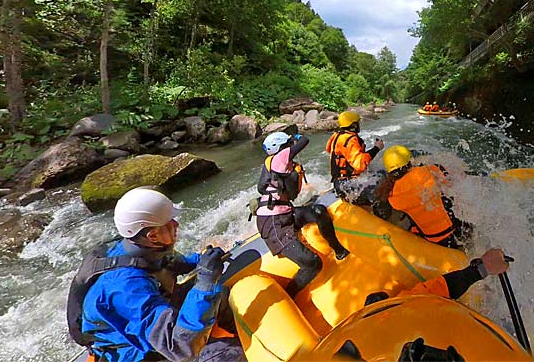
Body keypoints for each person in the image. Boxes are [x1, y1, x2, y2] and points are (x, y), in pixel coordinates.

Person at [67, 187, 241, 362]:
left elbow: (172, 264)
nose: (176, 224)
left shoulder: (141, 248)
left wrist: (203, 261)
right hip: (136, 353)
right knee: (227, 355)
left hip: (150, 312)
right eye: (169, 222)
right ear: (152, 236)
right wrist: (206, 282)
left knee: (222, 295)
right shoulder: (126, 288)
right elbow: (178, 347)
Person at [256, 132, 349, 297]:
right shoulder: (279, 158)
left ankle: (339, 250)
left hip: (286, 213)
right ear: (282, 146)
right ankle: (289, 295)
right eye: (288, 143)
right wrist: (296, 137)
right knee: (312, 264)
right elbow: (304, 141)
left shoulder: (272, 164)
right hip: (273, 223)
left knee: (318, 211)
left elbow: (268, 188)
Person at [373, 145, 472, 249]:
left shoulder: (391, 194)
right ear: (410, 160)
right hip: (457, 231)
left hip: (433, 239)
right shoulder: (430, 170)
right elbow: (453, 180)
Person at [326, 110, 384, 199]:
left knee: (381, 173)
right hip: (346, 185)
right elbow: (360, 165)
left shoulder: (338, 135)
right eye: (357, 123)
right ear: (353, 125)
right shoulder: (349, 140)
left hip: (340, 181)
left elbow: (329, 149)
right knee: (381, 189)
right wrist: (376, 148)